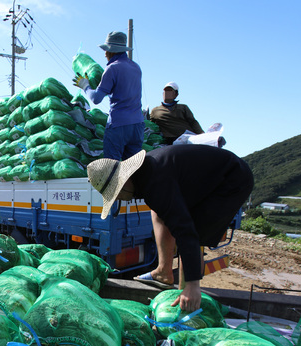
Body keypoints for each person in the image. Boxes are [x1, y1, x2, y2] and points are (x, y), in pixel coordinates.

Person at [86, 144, 253, 311]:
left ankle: (187, 291)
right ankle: (163, 272)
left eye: (117, 195)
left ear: (123, 183)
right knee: (158, 212)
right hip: (208, 180)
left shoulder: (157, 182)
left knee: (193, 230)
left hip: (232, 180)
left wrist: (193, 284)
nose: (120, 200)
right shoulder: (146, 175)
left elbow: (185, 231)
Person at [73, 31, 145, 160]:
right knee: (133, 168)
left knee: (112, 167)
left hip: (119, 125)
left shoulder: (112, 68)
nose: (105, 54)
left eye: (106, 50)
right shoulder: (136, 67)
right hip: (137, 125)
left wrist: (85, 86)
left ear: (111, 51)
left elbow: (96, 99)